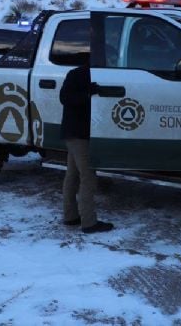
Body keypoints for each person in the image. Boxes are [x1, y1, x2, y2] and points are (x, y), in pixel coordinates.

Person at [60, 54, 113, 234]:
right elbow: (66, 98)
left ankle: (70, 216)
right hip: (79, 134)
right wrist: (89, 93)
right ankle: (89, 222)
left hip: (72, 132)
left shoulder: (76, 74)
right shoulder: (80, 75)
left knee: (73, 175)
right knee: (88, 177)